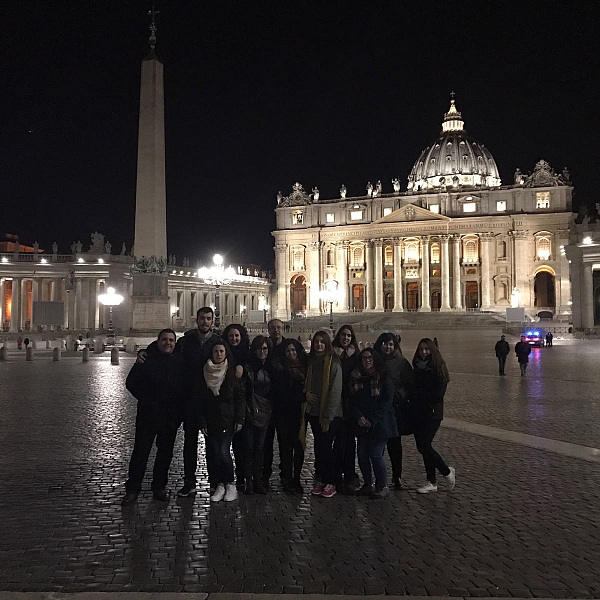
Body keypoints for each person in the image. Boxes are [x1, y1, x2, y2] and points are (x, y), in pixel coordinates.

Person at [138, 307, 222, 496]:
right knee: (189, 444)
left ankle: (214, 481)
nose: (205, 322)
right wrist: (145, 350)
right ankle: (189, 482)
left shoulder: (218, 341)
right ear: (197, 320)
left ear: (212, 321)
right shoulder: (186, 341)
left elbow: (229, 359)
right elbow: (165, 346)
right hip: (190, 399)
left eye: (208, 319)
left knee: (212, 444)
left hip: (210, 401)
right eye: (202, 318)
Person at [121, 329, 185, 506]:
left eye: (171, 340)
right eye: (164, 340)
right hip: (148, 416)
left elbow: (185, 388)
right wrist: (146, 398)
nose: (168, 343)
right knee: (140, 454)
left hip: (170, 418)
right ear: (158, 342)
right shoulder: (147, 358)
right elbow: (131, 382)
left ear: (175, 342)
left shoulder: (180, 361)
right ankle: (133, 489)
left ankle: (159, 487)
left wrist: (179, 412)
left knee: (164, 455)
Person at [197, 341, 245, 502]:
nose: (218, 354)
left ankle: (230, 483)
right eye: (216, 351)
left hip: (228, 419)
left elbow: (240, 398)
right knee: (215, 453)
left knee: (223, 452)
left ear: (226, 353)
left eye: (221, 351)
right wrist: (202, 422)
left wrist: (240, 419)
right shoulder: (204, 372)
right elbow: (200, 400)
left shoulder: (232, 373)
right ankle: (219, 485)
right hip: (211, 420)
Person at [349, 349, 397, 499]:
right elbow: (352, 400)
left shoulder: (383, 375)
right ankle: (367, 484)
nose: (367, 360)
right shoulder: (356, 376)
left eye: (370, 357)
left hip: (380, 423)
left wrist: (373, 419)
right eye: (364, 358)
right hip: (363, 423)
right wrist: (359, 416)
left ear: (375, 358)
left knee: (376, 455)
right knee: (362, 455)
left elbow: (387, 400)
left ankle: (382, 485)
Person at [301, 330, 343, 498]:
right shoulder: (311, 362)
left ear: (327, 344)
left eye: (322, 342)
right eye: (316, 341)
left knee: (327, 449)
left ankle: (331, 482)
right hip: (314, 412)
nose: (319, 344)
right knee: (320, 448)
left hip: (328, 415)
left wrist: (328, 415)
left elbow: (335, 392)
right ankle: (323, 480)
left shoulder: (334, 364)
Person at [411, 338, 455, 494]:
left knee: (424, 445)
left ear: (432, 350)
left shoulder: (438, 368)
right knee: (423, 447)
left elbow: (438, 395)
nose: (423, 352)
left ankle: (447, 472)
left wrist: (419, 395)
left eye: (426, 349)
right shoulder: (416, 366)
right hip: (417, 413)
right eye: (421, 349)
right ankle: (431, 482)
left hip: (432, 413)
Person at [373, 332, 414, 490]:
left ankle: (397, 476)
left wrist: (399, 395)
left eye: (391, 344)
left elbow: (409, 384)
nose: (388, 347)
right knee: (377, 444)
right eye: (385, 343)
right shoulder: (374, 360)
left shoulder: (401, 362)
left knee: (395, 444)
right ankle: (379, 477)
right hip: (377, 407)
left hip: (395, 409)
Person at [331, 324, 361, 494]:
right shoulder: (332, 355)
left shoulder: (356, 356)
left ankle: (349, 475)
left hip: (350, 404)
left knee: (349, 442)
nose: (346, 338)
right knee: (336, 441)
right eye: (343, 335)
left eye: (349, 335)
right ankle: (336, 475)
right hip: (335, 403)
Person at [222, 324, 251, 489]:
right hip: (225, 408)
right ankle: (224, 479)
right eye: (231, 336)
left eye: (237, 336)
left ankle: (242, 477)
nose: (234, 339)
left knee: (243, 445)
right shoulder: (220, 352)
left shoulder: (248, 353)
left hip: (243, 406)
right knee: (223, 447)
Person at [245, 335, 275, 494]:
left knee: (260, 447)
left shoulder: (273, 367)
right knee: (249, 447)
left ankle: (258, 479)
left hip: (266, 412)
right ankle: (248, 480)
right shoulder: (248, 367)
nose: (262, 352)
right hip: (251, 411)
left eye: (265, 349)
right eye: (259, 348)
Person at [279, 339, 308, 494]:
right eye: (288, 351)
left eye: (293, 350)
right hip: (285, 412)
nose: (291, 353)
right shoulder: (281, 369)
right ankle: (287, 477)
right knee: (286, 447)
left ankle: (296, 477)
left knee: (299, 445)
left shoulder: (304, 368)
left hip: (300, 413)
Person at [262, 318, 288, 487]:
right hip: (267, 402)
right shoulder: (264, 347)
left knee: (285, 442)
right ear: (268, 330)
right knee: (266, 442)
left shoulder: (290, 346)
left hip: (285, 402)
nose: (276, 331)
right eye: (273, 328)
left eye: (278, 327)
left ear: (283, 329)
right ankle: (265, 474)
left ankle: (286, 474)